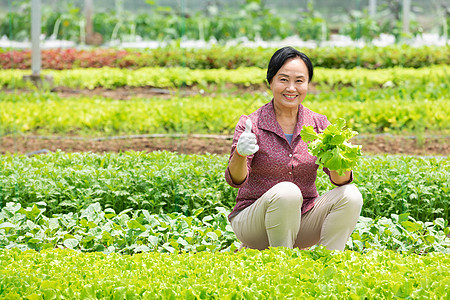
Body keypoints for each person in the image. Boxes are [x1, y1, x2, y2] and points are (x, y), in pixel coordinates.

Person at [225, 46, 363, 251]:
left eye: (299, 81)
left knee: (350, 195)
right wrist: (240, 153)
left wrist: (340, 156)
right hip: (253, 222)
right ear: (270, 82)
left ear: (307, 84)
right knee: (287, 191)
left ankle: (330, 261)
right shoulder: (251, 124)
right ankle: (283, 262)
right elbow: (235, 180)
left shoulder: (318, 124)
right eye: (283, 80)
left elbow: (340, 181)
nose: (291, 88)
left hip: (301, 220)